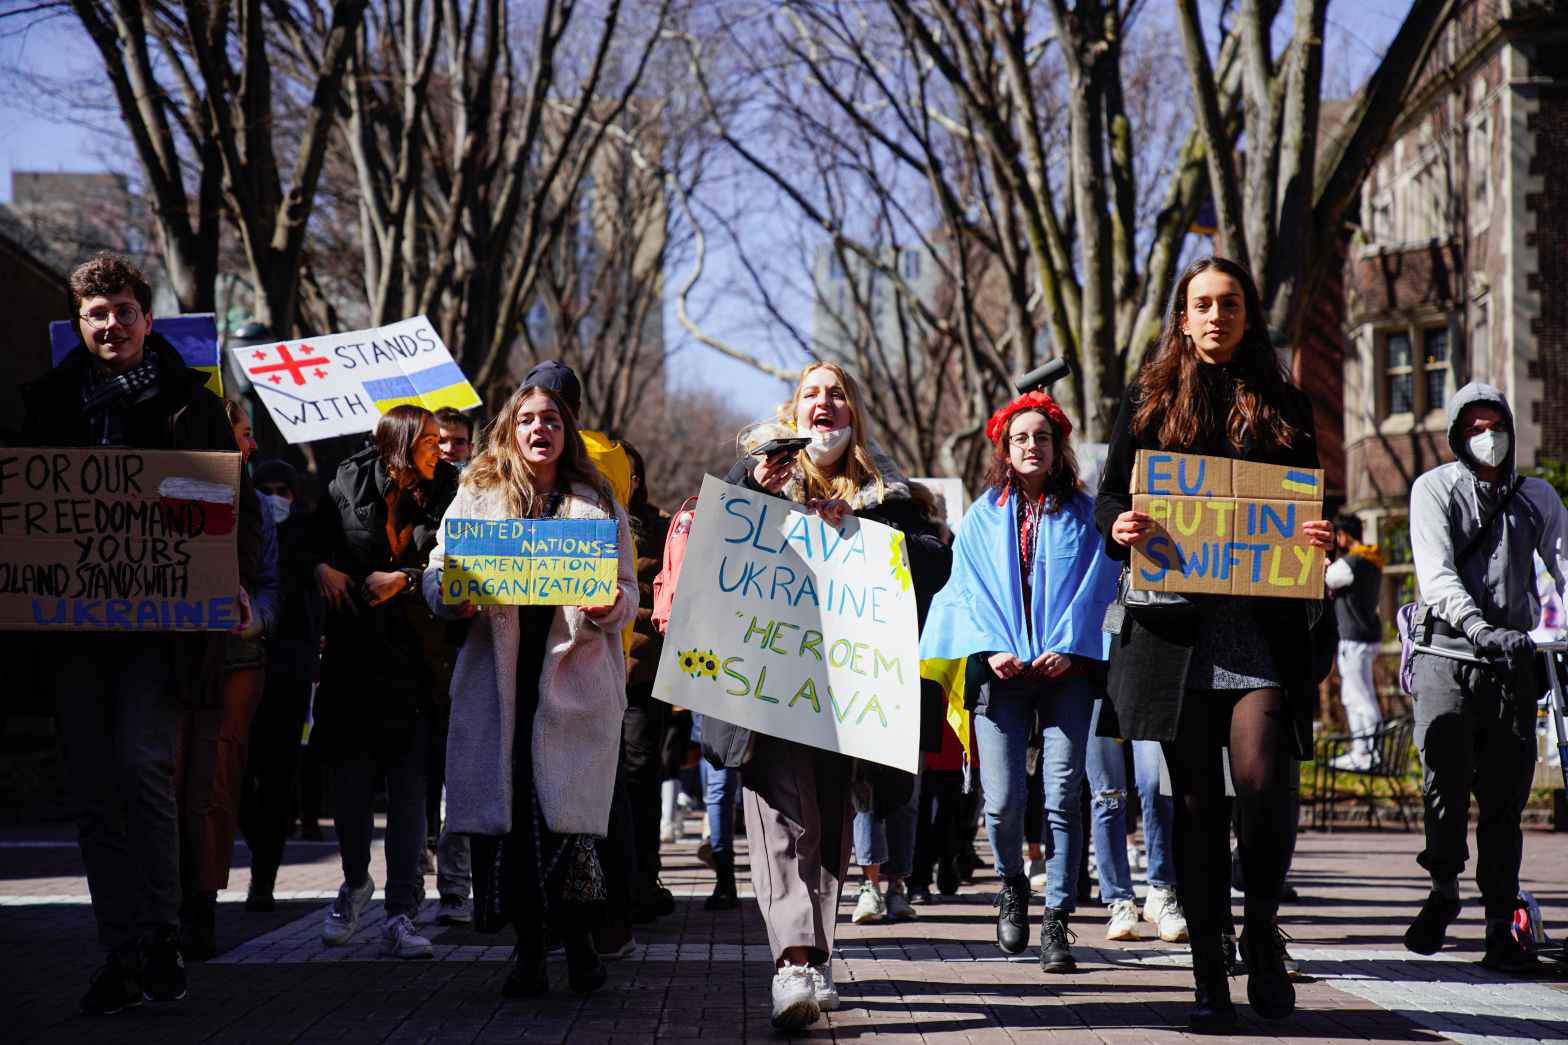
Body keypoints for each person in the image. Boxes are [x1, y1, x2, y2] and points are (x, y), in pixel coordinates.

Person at [1093, 256, 1334, 1032]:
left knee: (1263, 789)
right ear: (1183, 315)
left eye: (1229, 303)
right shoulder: (1148, 397)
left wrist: (1322, 535)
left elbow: (1318, 502)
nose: (1215, 316)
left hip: (1261, 635)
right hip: (1177, 636)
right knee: (1194, 808)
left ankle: (1260, 927)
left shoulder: (1288, 401)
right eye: (1202, 304)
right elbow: (1107, 495)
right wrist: (1117, 527)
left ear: (1247, 313)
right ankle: (1207, 976)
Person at [21, 252, 261, 1014]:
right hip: (74, 630)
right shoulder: (47, 403)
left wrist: (239, 580)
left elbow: (234, 499)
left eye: (124, 310)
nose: (112, 324)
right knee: (92, 790)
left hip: (161, 628)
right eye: (97, 313)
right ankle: (118, 949)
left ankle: (162, 934)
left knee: (141, 770)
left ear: (146, 319)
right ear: (78, 323)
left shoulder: (191, 404)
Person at [709, 361, 947, 1031]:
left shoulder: (888, 493)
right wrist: (755, 490)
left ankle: (817, 955)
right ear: (793, 411)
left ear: (853, 414)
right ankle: (790, 963)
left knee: (829, 826)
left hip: (849, 687)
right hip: (770, 681)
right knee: (783, 814)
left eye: (836, 392)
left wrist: (864, 534)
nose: (825, 401)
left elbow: (935, 563)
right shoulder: (760, 477)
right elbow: (713, 538)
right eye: (812, 392)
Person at [422, 383, 637, 997]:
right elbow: (440, 570)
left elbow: (628, 590)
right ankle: (528, 950)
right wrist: (448, 595)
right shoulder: (477, 496)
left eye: (550, 420)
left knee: (570, 826)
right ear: (510, 431)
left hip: (574, 683)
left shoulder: (598, 502)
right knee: (514, 823)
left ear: (566, 431)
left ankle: (580, 945)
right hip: (502, 684)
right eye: (526, 420)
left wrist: (612, 604)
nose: (539, 430)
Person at [921, 389, 1120, 975]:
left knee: (1062, 796)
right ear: (1005, 450)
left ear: (1060, 449)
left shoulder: (1088, 516)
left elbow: (1102, 586)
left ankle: (1057, 917)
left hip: (1067, 672)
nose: (1032, 446)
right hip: (1000, 673)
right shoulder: (981, 518)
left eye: (1043, 437)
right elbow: (964, 592)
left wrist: (1074, 648)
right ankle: (1011, 884)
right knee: (1004, 802)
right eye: (1020, 438)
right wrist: (991, 646)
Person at [1403, 382, 1568, 972]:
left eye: (1494, 424)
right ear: (1455, 435)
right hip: (1449, 656)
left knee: (1505, 800)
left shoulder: (1536, 497)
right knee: (1444, 781)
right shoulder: (1434, 490)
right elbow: (1436, 575)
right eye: (1472, 427)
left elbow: (1564, 562)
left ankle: (1500, 922)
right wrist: (1477, 628)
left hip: (1512, 664)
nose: (1486, 437)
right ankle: (1444, 888)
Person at [310, 405, 457, 959]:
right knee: (348, 786)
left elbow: (464, 562)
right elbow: (315, 539)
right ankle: (353, 884)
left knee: (409, 791)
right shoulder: (347, 478)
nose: (439, 449)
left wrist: (408, 580)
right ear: (400, 442)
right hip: (352, 653)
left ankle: (401, 913)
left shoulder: (452, 489)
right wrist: (320, 567)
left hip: (418, 659)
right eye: (429, 441)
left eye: (442, 441)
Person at [174, 401, 280, 959]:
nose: (252, 445)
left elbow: (271, 586)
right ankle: (163, 906)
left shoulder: (259, 508)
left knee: (213, 787)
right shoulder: (165, 493)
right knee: (165, 781)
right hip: (168, 659)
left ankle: (202, 911)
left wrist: (254, 616)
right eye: (242, 434)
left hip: (235, 661)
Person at [240, 460, 324, 912]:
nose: (275, 498)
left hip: (289, 667)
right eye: (265, 489)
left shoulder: (308, 539)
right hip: (241, 664)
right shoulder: (243, 530)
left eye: (283, 490)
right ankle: (257, 841)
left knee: (277, 774)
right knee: (237, 775)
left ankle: (264, 878)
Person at [428, 406, 477, 923]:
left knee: (464, 778)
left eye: (459, 442)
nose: (448, 452)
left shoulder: (485, 491)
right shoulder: (422, 495)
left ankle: (463, 888)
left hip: (474, 649)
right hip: (432, 655)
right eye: (440, 442)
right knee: (447, 779)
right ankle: (454, 887)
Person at [1084, 716, 1186, 943]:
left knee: (1156, 786)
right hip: (1099, 692)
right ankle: (1119, 901)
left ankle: (1162, 891)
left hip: (1146, 691)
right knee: (1107, 797)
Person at [1325, 513, 1385, 768]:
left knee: (1359, 696)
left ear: (1343, 536)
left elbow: (1325, 576)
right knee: (1355, 694)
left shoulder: (1350, 564)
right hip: (1366, 635)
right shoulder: (1371, 561)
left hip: (1354, 638)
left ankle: (1369, 753)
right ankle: (1362, 751)